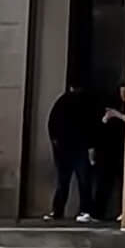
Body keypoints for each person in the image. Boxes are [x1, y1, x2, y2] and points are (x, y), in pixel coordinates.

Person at [45, 84, 94, 222]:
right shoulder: (86, 103)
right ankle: (85, 211)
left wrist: (56, 142)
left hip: (65, 148)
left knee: (63, 181)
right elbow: (90, 126)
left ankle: (57, 211)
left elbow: (52, 124)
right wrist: (90, 147)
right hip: (79, 148)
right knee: (83, 181)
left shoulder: (62, 102)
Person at [91, 86, 125, 222]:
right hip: (109, 151)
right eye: (122, 91)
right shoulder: (111, 105)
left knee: (122, 182)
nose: (124, 94)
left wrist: (116, 115)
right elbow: (100, 128)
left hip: (122, 150)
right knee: (104, 182)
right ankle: (97, 212)